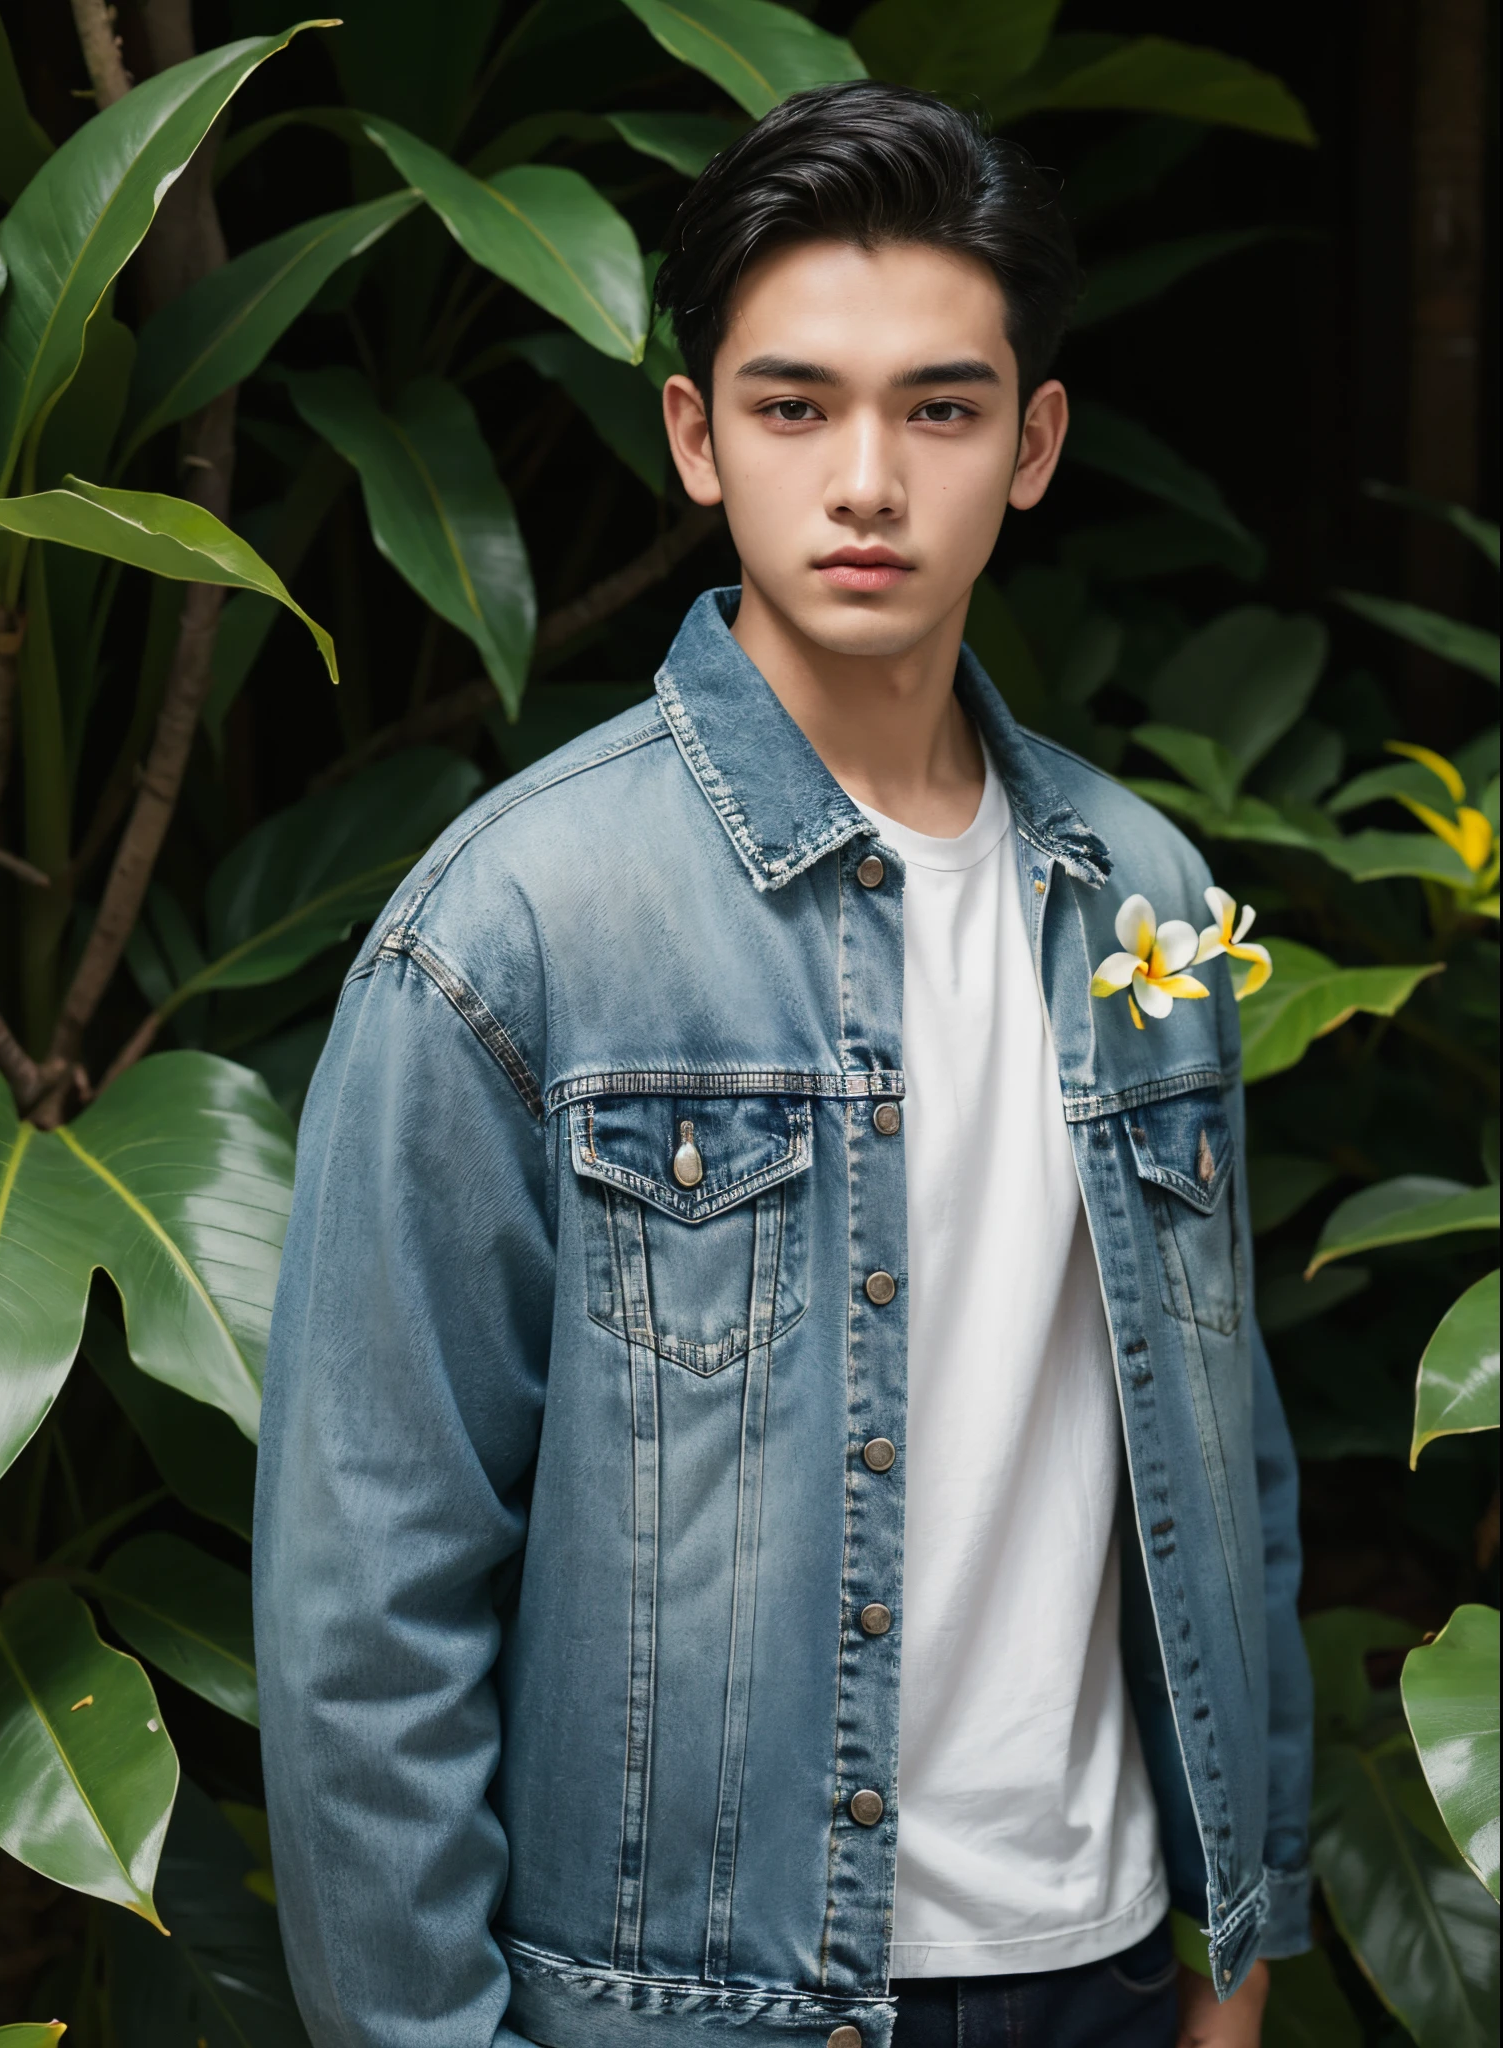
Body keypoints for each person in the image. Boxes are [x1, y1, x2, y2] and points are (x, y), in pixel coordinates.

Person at [254, 80, 1311, 2048]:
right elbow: (363, 1615)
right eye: (794, 404)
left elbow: (1219, 1464)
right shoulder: (518, 925)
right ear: (695, 436)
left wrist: (1231, 1957)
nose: (866, 485)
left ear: (1035, 443)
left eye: (940, 407)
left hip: (1098, 1981)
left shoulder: (1145, 904)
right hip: (702, 2012)